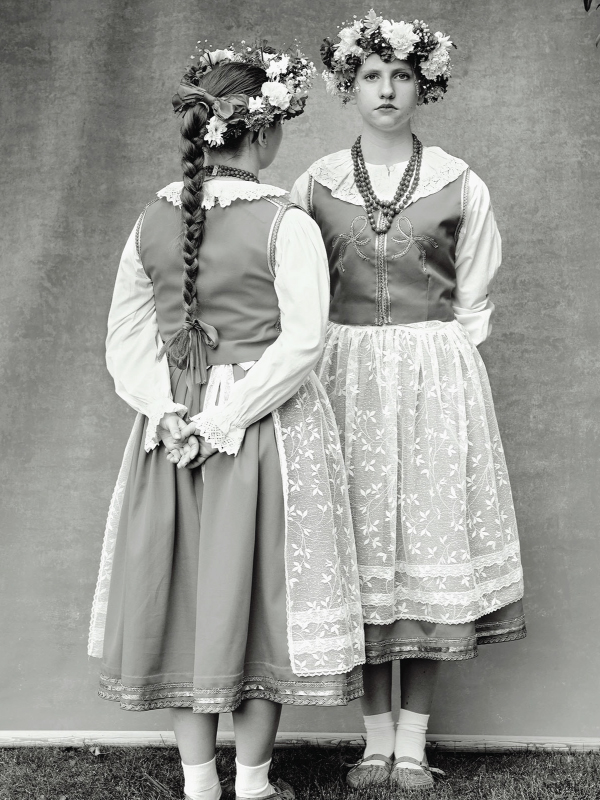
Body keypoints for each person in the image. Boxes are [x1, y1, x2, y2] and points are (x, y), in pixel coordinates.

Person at [88, 41, 366, 800]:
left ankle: (199, 780)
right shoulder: (287, 222)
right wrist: (230, 415)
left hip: (170, 435)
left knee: (178, 591)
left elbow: (125, 340)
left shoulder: (151, 218)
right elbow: (304, 339)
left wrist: (167, 410)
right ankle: (251, 780)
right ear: (265, 132)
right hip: (260, 430)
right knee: (258, 593)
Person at [291, 10, 526, 791]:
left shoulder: (461, 180)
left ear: (424, 85)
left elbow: (475, 301)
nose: (386, 89)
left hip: (432, 379)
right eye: (370, 76)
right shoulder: (316, 183)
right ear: (347, 86)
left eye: (400, 76)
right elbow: (299, 296)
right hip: (342, 376)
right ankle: (373, 741)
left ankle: (415, 744)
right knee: (355, 549)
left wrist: (437, 374)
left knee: (427, 551)